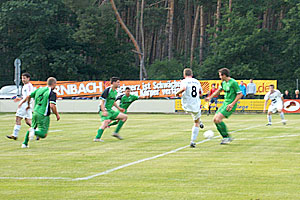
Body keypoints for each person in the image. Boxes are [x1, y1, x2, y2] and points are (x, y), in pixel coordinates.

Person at [205, 68, 243, 144]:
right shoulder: (223, 82)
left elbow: (240, 94)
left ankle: (227, 137)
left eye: (220, 75)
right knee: (215, 120)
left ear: (224, 75)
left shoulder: (233, 82)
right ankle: (225, 137)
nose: (219, 77)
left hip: (230, 104)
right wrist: (210, 97)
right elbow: (218, 91)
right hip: (225, 103)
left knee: (218, 119)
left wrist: (232, 104)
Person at [20, 77, 60, 148]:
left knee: (32, 127)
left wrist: (28, 104)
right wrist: (57, 115)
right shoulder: (52, 93)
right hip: (43, 114)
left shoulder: (39, 89)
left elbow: (29, 96)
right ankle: (33, 132)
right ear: (54, 84)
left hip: (35, 112)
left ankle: (24, 143)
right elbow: (52, 105)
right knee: (43, 134)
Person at [176, 68, 204, 148]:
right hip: (196, 105)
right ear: (192, 74)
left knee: (192, 113)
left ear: (184, 75)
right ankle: (192, 141)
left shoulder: (184, 81)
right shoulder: (197, 81)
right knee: (196, 122)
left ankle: (200, 120)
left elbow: (183, 88)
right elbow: (201, 93)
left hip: (186, 105)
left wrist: (177, 93)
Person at [94, 77, 128, 142]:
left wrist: (119, 108)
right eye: (118, 82)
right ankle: (97, 138)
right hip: (104, 110)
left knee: (124, 117)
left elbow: (113, 102)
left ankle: (116, 133)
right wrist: (103, 111)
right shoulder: (107, 90)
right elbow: (101, 102)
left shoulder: (115, 92)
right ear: (113, 82)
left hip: (110, 110)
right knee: (105, 122)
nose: (119, 84)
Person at [7, 73, 34, 140]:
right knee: (28, 121)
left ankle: (15, 135)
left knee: (18, 119)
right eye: (22, 78)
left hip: (25, 105)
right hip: (27, 104)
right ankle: (37, 132)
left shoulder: (29, 86)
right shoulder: (25, 86)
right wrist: (20, 99)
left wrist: (23, 103)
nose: (23, 80)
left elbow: (28, 96)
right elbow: (25, 96)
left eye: (24, 78)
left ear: (28, 78)